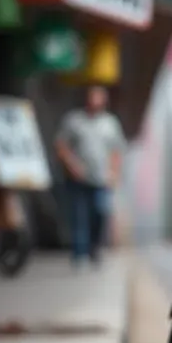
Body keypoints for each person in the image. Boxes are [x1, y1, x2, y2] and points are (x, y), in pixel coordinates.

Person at [54, 85, 126, 265]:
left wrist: (114, 174)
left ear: (104, 101)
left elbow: (116, 151)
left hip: (102, 179)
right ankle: (79, 255)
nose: (95, 101)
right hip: (78, 179)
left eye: (99, 97)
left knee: (99, 215)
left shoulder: (110, 123)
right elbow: (61, 146)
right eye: (92, 97)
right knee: (78, 216)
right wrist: (72, 165)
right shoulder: (74, 120)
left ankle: (94, 248)